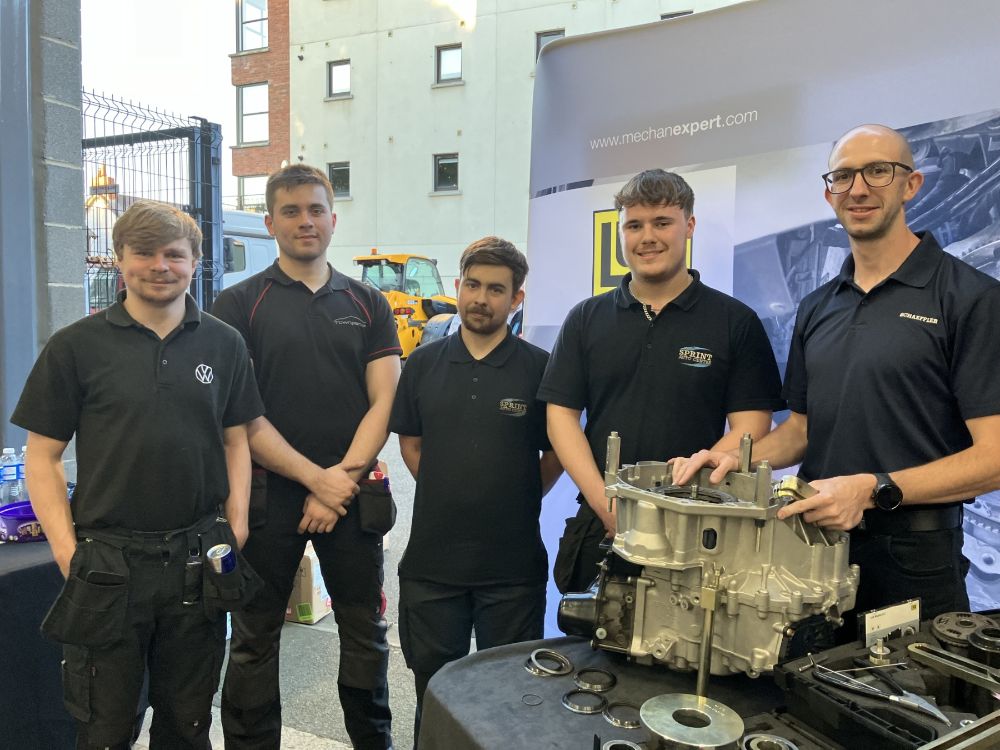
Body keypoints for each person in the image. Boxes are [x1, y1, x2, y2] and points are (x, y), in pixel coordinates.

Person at [673, 124, 1000, 634]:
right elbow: (802, 430)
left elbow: (994, 458)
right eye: (843, 176)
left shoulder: (969, 297)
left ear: (911, 184)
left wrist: (874, 489)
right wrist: (737, 456)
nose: (859, 189)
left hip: (915, 559)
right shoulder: (817, 306)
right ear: (829, 194)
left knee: (908, 709)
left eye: (878, 171)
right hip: (812, 552)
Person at [11, 200, 264, 749]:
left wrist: (237, 524)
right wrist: (65, 550)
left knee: (189, 722)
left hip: (200, 561)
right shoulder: (75, 347)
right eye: (143, 253)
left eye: (174, 254)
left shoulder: (223, 343)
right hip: (107, 564)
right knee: (104, 727)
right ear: (118, 260)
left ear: (195, 260)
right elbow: (42, 456)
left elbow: (236, 439)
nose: (159, 265)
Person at [212, 164, 401, 750]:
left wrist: (338, 481)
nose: (305, 221)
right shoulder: (238, 304)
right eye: (291, 211)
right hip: (269, 495)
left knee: (365, 633)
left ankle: (374, 743)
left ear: (333, 219)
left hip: (351, 495)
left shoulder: (369, 302)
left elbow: (384, 400)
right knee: (253, 638)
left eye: (316, 209)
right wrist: (316, 480)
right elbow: (241, 415)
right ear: (270, 222)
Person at [538, 169, 785, 594]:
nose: (646, 236)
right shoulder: (586, 319)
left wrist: (683, 487)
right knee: (592, 654)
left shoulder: (734, 322)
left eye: (661, 222)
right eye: (634, 225)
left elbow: (752, 427)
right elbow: (560, 418)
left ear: (689, 226)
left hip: (700, 528)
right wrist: (605, 500)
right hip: (602, 524)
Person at [389, 237, 562, 742]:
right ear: (459, 286)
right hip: (431, 569)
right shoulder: (422, 364)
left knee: (509, 697)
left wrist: (515, 495)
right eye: (472, 284)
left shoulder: (540, 368)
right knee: (434, 693)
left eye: (495, 289)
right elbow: (411, 444)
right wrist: (452, 491)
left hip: (511, 573)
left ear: (517, 299)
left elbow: (555, 454)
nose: (480, 298)